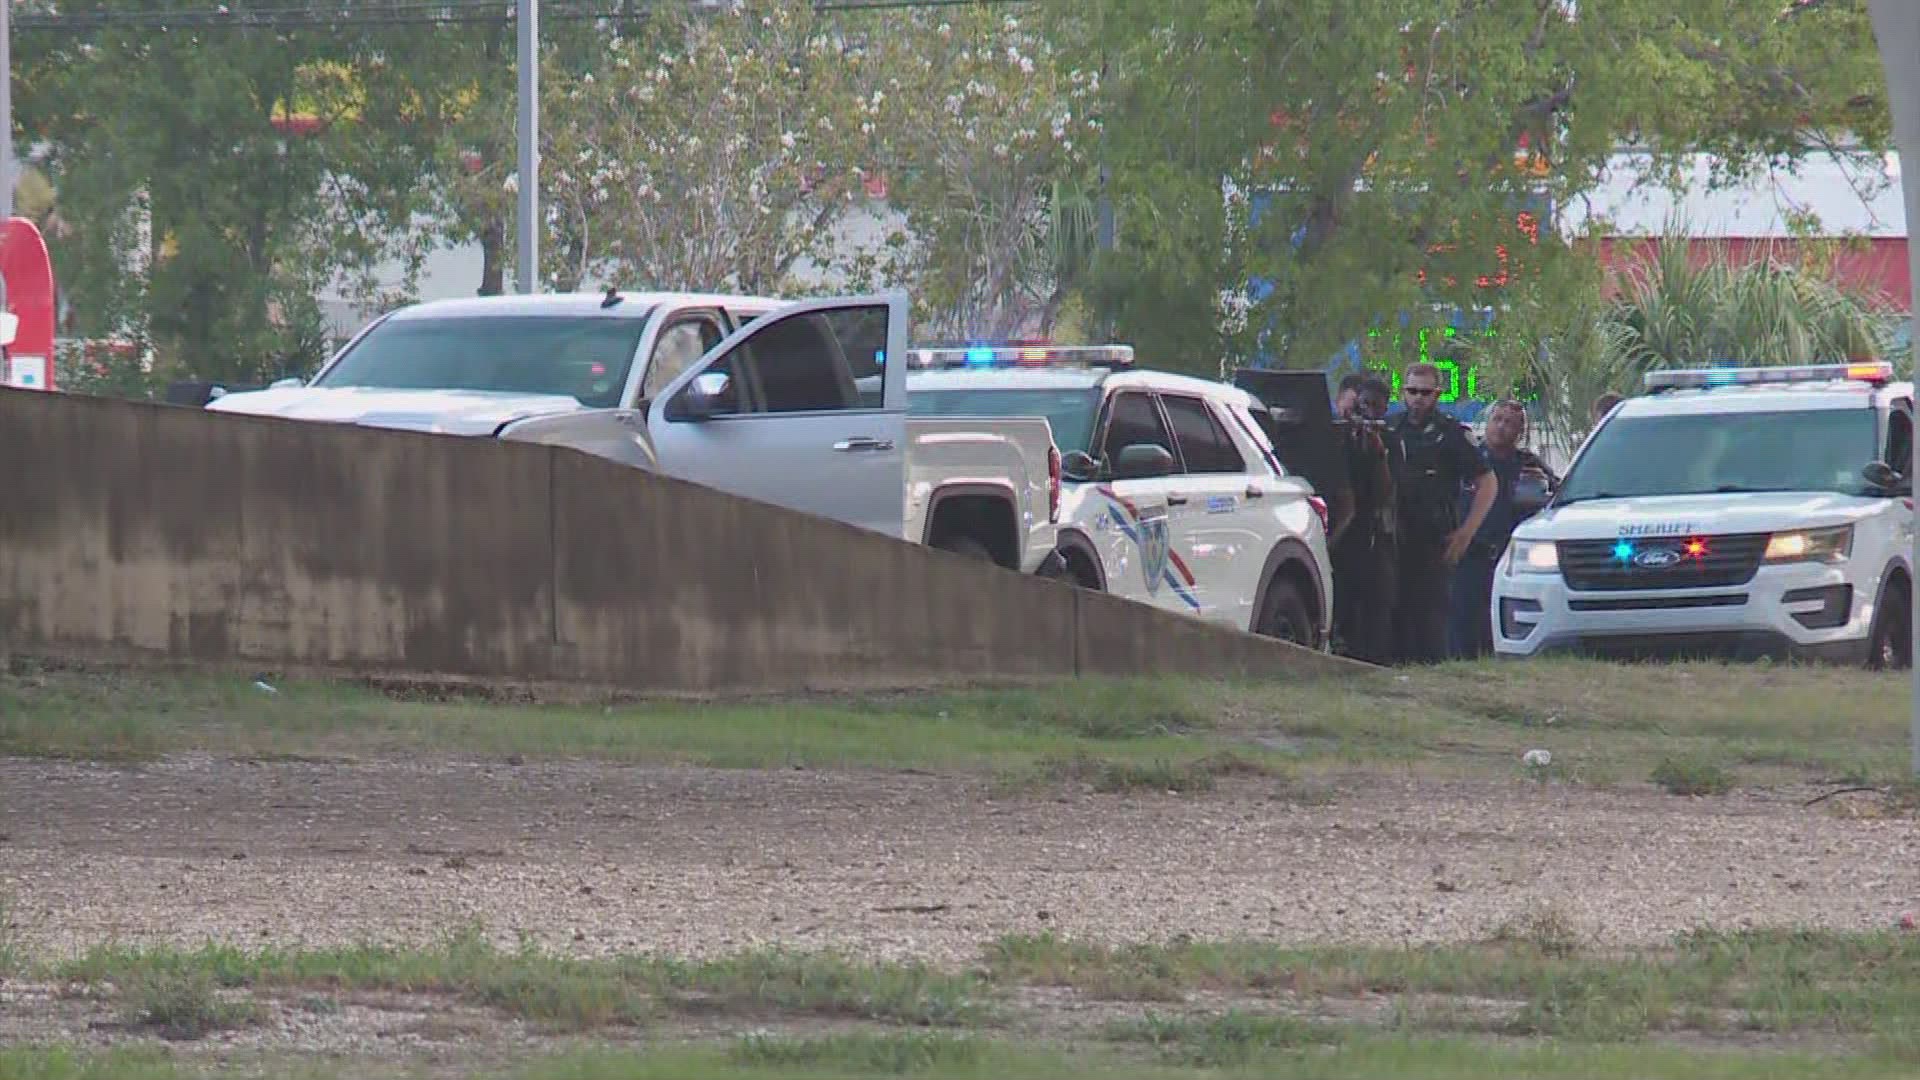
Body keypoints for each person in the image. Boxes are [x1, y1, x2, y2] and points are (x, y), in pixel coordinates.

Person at [1390, 362, 1497, 664]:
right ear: (1403, 392)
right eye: (1412, 391)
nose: (1418, 399)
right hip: (1395, 537)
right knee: (1395, 620)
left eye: (1425, 392)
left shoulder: (1450, 434)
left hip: (1434, 538)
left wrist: (1467, 531)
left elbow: (1487, 482)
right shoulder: (1390, 429)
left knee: (1431, 623)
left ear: (1437, 394)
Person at [1447, 400, 1558, 658]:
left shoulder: (1529, 466)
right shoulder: (1468, 460)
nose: (1501, 427)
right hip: (1470, 555)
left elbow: (1555, 499)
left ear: (1520, 432)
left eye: (1509, 423)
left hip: (1507, 557)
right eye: (1497, 420)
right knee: (1461, 623)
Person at [1328, 374, 1398, 663]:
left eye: (1373, 406)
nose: (1364, 412)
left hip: (1367, 533)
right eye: (1360, 404)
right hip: (1334, 527)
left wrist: (1378, 453)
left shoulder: (1389, 437)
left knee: (1369, 607)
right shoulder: (1333, 432)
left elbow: (1386, 492)